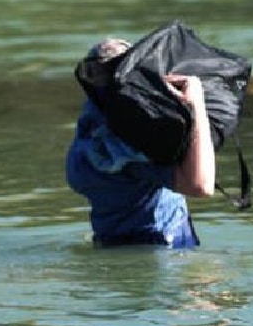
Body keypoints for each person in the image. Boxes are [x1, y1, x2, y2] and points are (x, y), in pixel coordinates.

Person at [66, 37, 216, 248]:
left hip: (108, 243)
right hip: (162, 247)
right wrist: (196, 103)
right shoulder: (131, 142)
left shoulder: (90, 127)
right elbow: (201, 186)